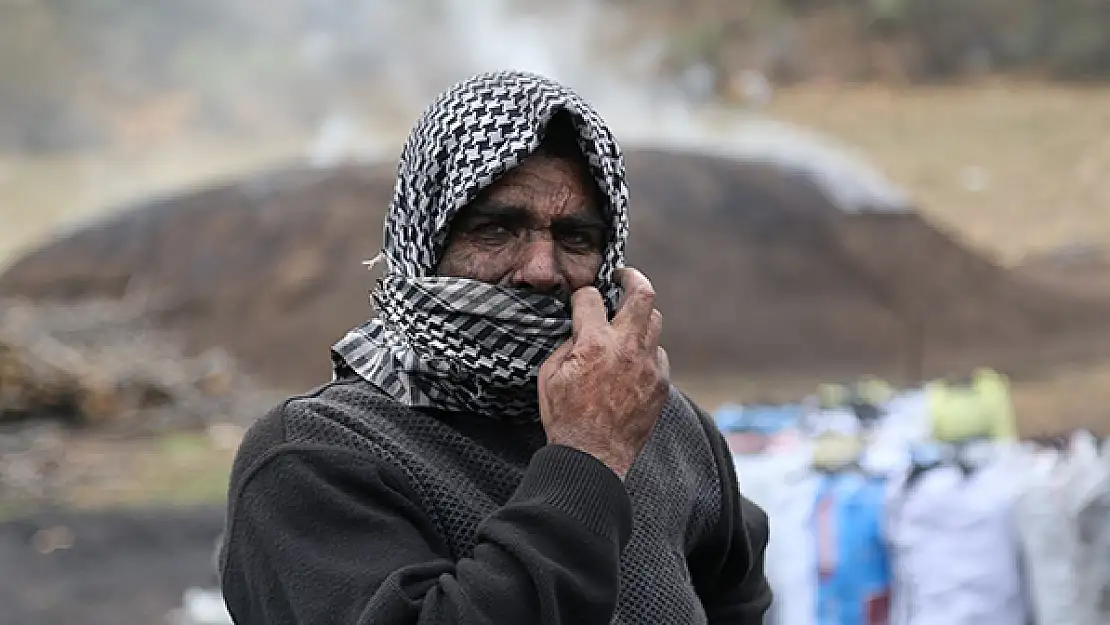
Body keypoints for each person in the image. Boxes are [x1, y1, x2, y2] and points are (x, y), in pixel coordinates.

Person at [218, 70, 772, 625]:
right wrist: (587, 458)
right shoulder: (316, 457)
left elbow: (739, 599)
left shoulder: (662, 422)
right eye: (496, 230)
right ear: (423, 241)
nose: (541, 271)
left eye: (576, 238)